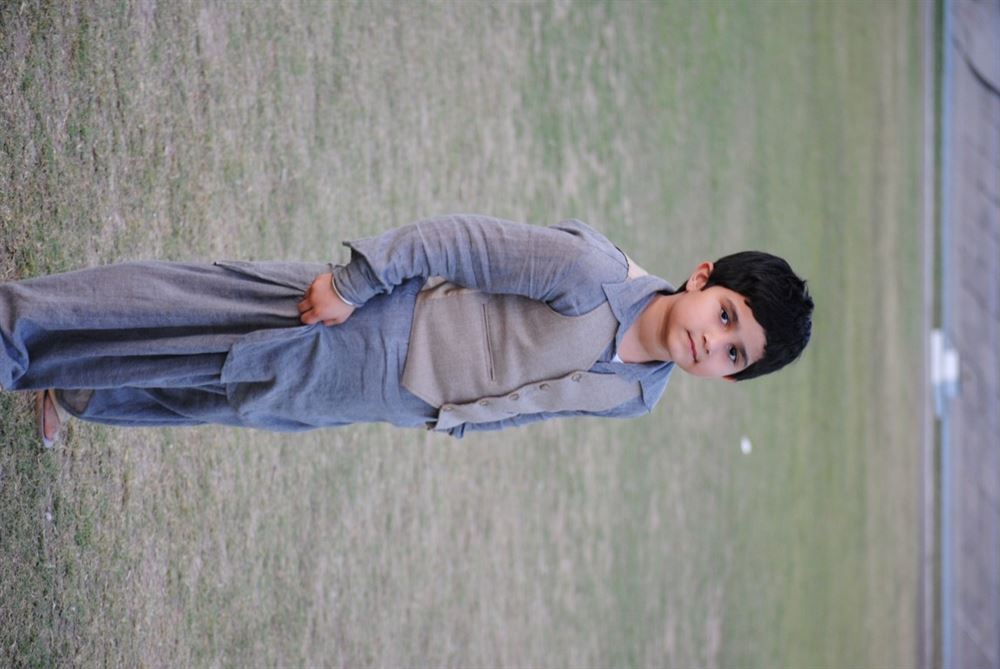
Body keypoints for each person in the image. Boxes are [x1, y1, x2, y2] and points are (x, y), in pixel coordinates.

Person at [0, 214, 813, 446]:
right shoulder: (592, 271)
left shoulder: (640, 395)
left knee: (225, 395)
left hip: (388, 399)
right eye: (726, 316)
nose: (714, 342)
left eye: (734, 354)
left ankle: (77, 386)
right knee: (190, 317)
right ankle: (18, 332)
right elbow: (457, 241)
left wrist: (457, 423)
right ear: (703, 277)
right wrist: (353, 285)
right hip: (373, 325)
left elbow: (537, 403)